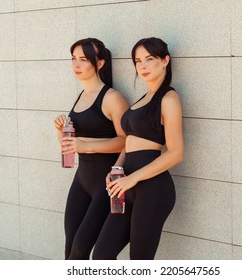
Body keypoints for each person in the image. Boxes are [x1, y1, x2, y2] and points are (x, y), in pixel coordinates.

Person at [92, 37, 183, 260]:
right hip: (126, 187)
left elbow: (176, 152)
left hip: (152, 189)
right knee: (102, 255)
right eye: (137, 60)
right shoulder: (141, 100)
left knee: (139, 263)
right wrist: (116, 168)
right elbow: (130, 142)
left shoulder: (168, 98)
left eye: (149, 59)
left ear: (165, 61)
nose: (142, 66)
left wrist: (133, 179)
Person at [54, 38, 128, 259]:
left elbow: (127, 140)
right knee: (70, 247)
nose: (76, 65)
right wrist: (61, 132)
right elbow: (72, 145)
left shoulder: (112, 98)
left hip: (105, 184)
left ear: (101, 63)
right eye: (74, 59)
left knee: (81, 247)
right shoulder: (80, 97)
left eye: (83, 59)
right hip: (81, 180)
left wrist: (87, 145)